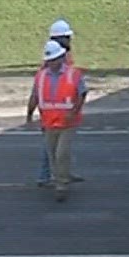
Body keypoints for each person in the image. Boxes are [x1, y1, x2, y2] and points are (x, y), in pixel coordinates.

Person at [25, 39, 88, 201]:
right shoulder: (40, 76)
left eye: (54, 59)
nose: (52, 63)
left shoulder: (73, 74)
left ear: (61, 58)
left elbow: (82, 94)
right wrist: (29, 116)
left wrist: (74, 112)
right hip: (48, 122)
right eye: (49, 60)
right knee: (52, 154)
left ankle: (61, 185)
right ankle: (60, 177)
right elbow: (35, 96)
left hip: (68, 123)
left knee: (62, 153)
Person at [35, 19, 75, 186]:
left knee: (57, 147)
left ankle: (60, 172)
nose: (70, 40)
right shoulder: (56, 56)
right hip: (53, 110)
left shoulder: (60, 54)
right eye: (67, 37)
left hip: (56, 108)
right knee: (52, 147)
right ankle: (48, 175)